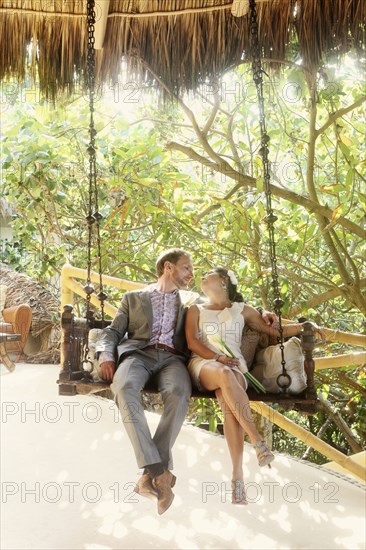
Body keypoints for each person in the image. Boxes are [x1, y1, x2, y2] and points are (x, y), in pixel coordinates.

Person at [185, 267, 314, 506]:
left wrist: (307, 328)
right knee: (224, 373)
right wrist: (218, 358)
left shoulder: (243, 310)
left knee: (227, 400)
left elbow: (275, 330)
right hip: (205, 364)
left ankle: (238, 478)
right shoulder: (195, 309)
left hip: (237, 368)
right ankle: (257, 441)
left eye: (210, 273)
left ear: (223, 281)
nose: (203, 275)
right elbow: (192, 341)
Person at [95, 248, 195, 515]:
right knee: (124, 386)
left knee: (178, 390)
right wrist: (105, 354)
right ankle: (160, 473)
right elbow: (113, 331)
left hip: (173, 359)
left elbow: (224, 306)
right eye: (187, 268)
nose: (191, 274)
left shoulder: (191, 302)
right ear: (168, 267)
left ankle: (150, 475)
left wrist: (259, 316)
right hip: (138, 354)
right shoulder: (133, 298)